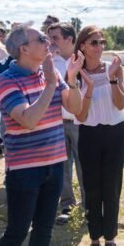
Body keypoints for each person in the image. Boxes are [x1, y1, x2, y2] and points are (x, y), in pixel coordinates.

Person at [0, 24, 82, 246]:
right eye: (41, 39)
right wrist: (52, 84)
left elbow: (76, 108)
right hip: (25, 170)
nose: (48, 42)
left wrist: (72, 79)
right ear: (23, 48)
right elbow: (28, 119)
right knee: (16, 231)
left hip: (54, 164)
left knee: (44, 228)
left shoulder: (47, 74)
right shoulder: (6, 80)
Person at [74, 25, 124, 246]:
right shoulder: (76, 73)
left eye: (102, 42)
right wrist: (89, 89)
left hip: (115, 133)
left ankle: (111, 242)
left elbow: (120, 103)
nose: (99, 47)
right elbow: (81, 115)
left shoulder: (113, 68)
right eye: (94, 42)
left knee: (112, 188)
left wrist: (113, 78)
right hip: (89, 134)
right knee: (92, 190)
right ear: (82, 45)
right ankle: (94, 241)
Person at [47, 22, 85, 224]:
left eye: (55, 38)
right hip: (57, 121)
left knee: (84, 165)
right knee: (62, 168)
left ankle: (88, 206)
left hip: (80, 122)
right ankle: (67, 205)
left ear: (70, 39)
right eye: (50, 38)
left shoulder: (81, 59)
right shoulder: (49, 62)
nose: (51, 42)